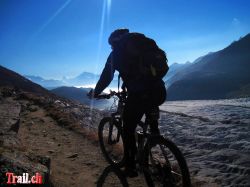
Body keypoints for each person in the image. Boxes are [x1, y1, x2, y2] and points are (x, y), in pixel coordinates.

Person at [88, 28, 167, 177]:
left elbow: (107, 76)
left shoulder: (117, 53)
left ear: (115, 42)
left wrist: (96, 92)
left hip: (141, 95)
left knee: (127, 128)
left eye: (111, 45)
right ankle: (155, 134)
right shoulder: (144, 45)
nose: (112, 48)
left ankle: (130, 167)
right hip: (160, 91)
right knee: (149, 106)